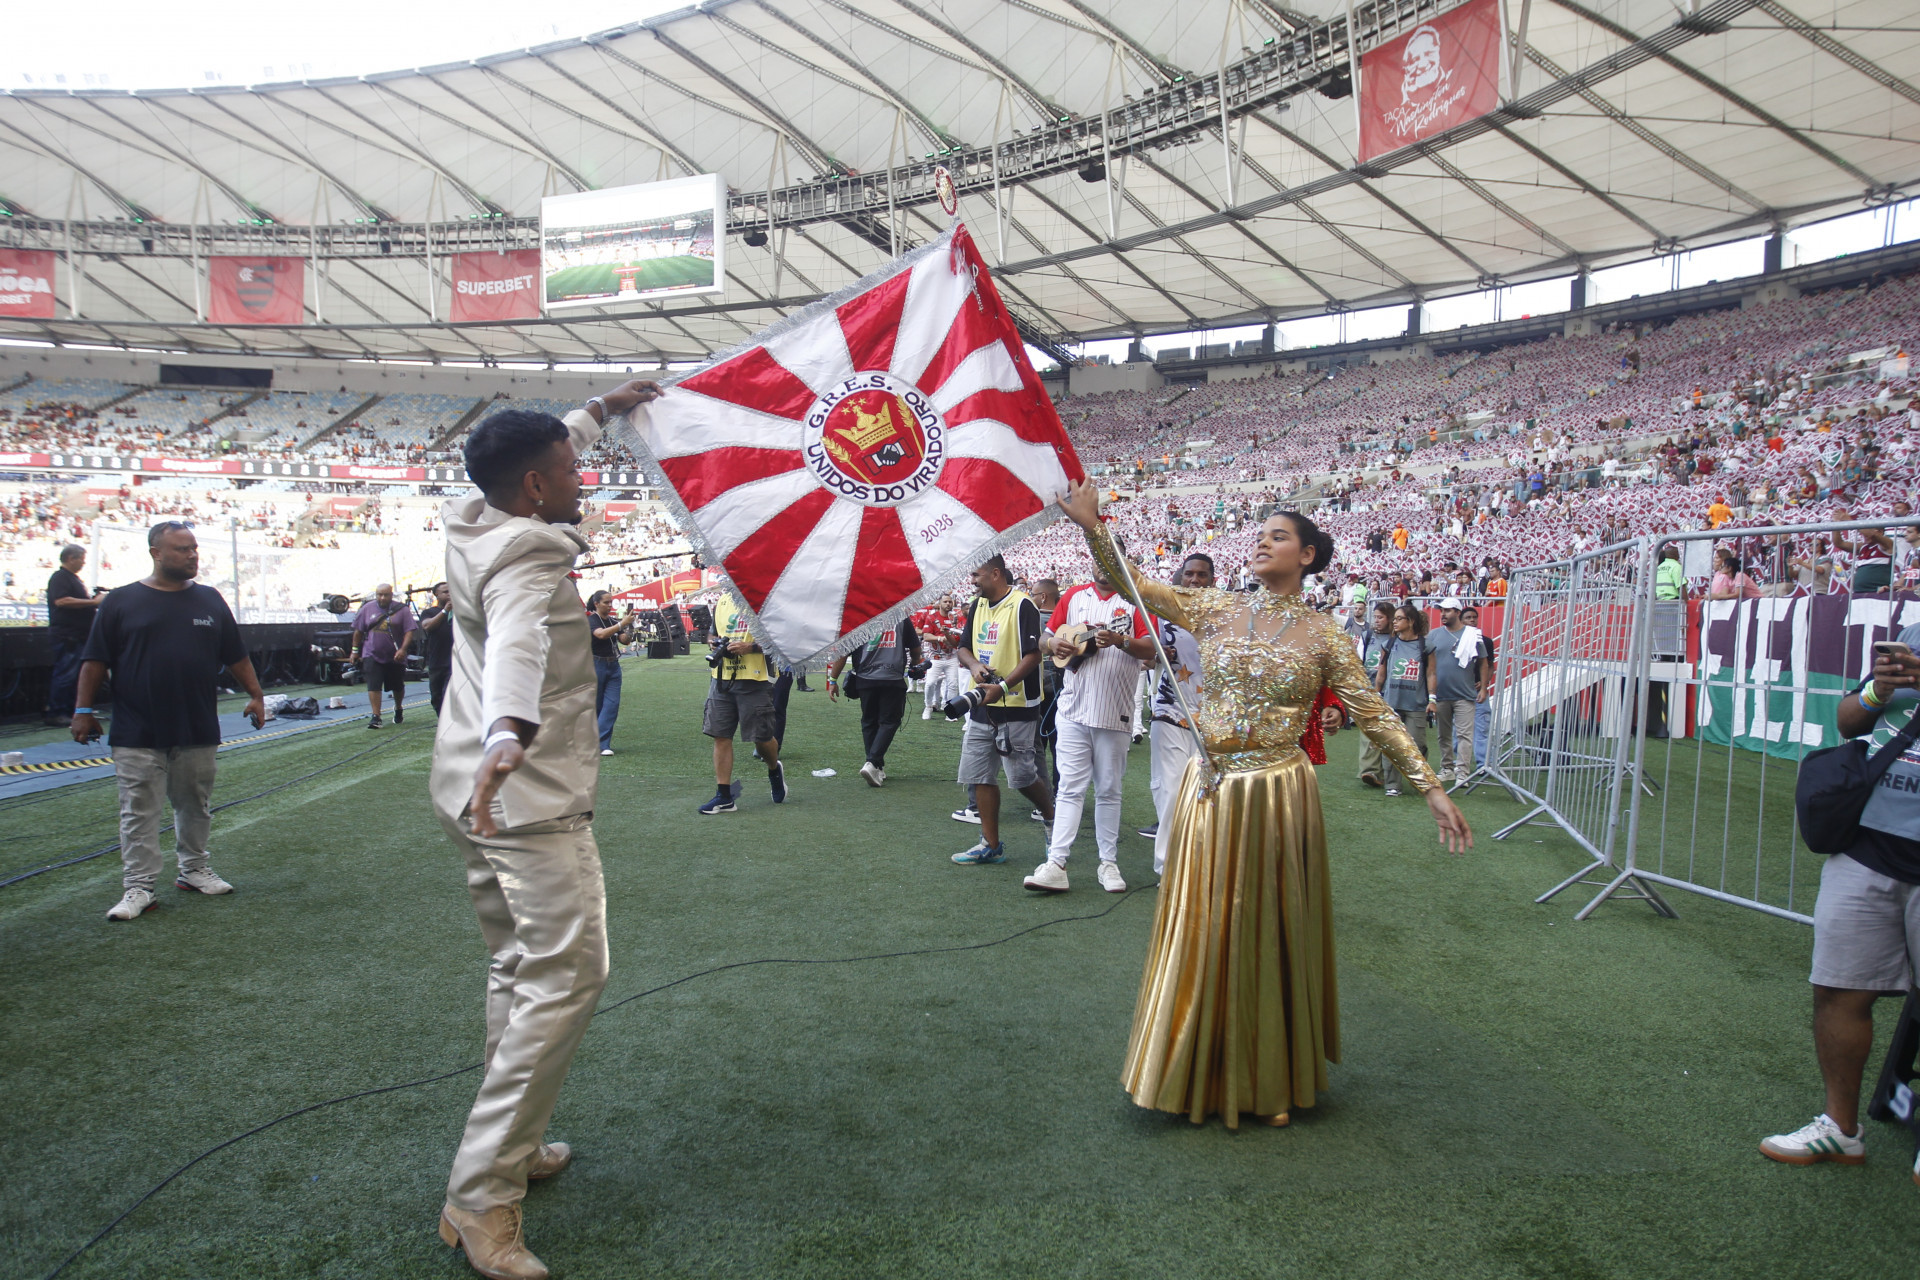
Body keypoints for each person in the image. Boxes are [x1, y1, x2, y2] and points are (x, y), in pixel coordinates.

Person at [1055, 479, 1470, 1128]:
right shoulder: (1213, 607)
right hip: (1210, 788)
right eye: (1261, 534)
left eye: (1278, 536)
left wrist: (1432, 787)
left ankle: (1265, 1075)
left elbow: (1375, 714)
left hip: (1279, 794)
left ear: (1307, 556)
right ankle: (1198, 1064)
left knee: (1268, 932)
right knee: (1204, 929)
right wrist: (1092, 526)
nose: (1262, 542)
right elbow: (1134, 582)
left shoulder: (1326, 636)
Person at [430, 380, 660, 1280]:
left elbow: (546, 444)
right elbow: (522, 640)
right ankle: (483, 1195)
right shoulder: (529, 552)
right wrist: (510, 732)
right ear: (533, 488)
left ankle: (513, 1148)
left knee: (517, 967)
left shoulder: (473, 511)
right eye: (571, 472)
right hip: (521, 794)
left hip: (467, 790)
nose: (583, 480)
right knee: (571, 972)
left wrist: (599, 409)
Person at [1760, 635, 1920, 1182]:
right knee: (1838, 989)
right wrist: (1881, 687)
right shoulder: (1915, 631)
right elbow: (1849, 720)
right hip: (1870, 842)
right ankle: (1840, 1128)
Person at [72, 522, 266, 922]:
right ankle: (139, 886)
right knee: (139, 809)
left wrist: (256, 695)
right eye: (181, 549)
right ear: (156, 553)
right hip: (137, 729)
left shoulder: (211, 600)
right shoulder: (121, 601)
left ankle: (193, 870)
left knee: (195, 804)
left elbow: (235, 654)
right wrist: (83, 710)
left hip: (196, 725)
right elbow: (95, 660)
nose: (192, 555)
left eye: (194, 548)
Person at [1025, 550, 1155, 893]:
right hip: (1073, 707)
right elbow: (1045, 639)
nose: (1102, 566)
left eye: (1110, 559)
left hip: (1115, 710)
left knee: (1109, 789)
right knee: (1069, 787)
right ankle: (1057, 862)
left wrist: (1120, 640)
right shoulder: (1073, 595)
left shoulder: (1135, 599)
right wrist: (1055, 643)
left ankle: (1108, 863)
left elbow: (1151, 651)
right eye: (1098, 559)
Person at [950, 555, 1056, 867]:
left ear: (996, 574)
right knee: (979, 775)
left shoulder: (1022, 604)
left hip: (1017, 704)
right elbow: (963, 647)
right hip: (982, 700)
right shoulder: (978, 604)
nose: (972, 580)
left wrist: (1004, 686)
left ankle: (1053, 820)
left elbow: (1034, 655)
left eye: (977, 574)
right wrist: (975, 665)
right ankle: (990, 844)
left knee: (1021, 777)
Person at [1144, 553, 1215, 874]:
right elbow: (1144, 651)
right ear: (1180, 576)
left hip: (1210, 721)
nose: (1194, 580)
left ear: (1212, 579)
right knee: (1170, 789)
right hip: (1170, 711)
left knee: (1204, 793)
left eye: (1202, 575)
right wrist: (1155, 652)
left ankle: (1199, 860)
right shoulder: (1162, 610)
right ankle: (1168, 868)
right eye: (1189, 574)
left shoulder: (1222, 615)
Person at [700, 590, 786, 814]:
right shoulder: (723, 600)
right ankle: (724, 795)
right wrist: (715, 643)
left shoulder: (767, 598)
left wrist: (751, 647)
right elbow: (711, 634)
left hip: (756, 678)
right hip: (721, 679)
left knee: (761, 737)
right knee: (720, 735)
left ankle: (773, 769)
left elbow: (783, 639)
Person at [828, 618, 924, 786]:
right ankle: (873, 763)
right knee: (890, 721)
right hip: (892, 678)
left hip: (865, 679)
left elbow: (843, 653)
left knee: (869, 721)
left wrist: (833, 680)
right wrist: (916, 663)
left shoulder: (859, 617)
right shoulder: (901, 617)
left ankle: (875, 765)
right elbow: (915, 648)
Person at [1425, 597, 1486, 785]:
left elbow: (1484, 661)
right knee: (1443, 734)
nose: (1443, 614)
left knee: (1464, 735)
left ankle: (1462, 772)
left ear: (1458, 612)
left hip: (1465, 694)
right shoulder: (1434, 635)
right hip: (1440, 693)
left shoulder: (1472, 635)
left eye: (1448, 610)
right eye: (1442, 610)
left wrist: (1483, 687)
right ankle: (1447, 769)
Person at [1374, 603, 1431, 798]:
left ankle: (1419, 777)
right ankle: (1393, 785)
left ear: (1411, 621)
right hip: (1392, 704)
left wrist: (1432, 699)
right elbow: (1381, 673)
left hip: (1416, 704)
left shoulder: (1425, 645)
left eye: (1399, 619)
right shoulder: (1389, 644)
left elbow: (1431, 674)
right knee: (1391, 745)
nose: (1395, 622)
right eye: (1395, 618)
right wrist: (1377, 696)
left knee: (1417, 745)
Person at [44, 543, 105, 725]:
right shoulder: (60, 577)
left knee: (74, 675)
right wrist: (93, 603)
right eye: (81, 560)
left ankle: (68, 710)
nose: (83, 563)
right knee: (66, 674)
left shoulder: (70, 578)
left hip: (76, 636)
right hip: (67, 636)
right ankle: (58, 712)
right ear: (71, 558)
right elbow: (61, 601)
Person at [350, 582, 418, 728]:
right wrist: (355, 651)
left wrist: (403, 649)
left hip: (395, 655)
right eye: (379, 595)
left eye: (385, 595)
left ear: (391, 595)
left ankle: (398, 707)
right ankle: (376, 716)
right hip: (371, 653)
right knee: (373, 684)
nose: (382, 598)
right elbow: (358, 631)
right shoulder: (367, 609)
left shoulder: (402, 610)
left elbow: (409, 632)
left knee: (397, 685)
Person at [587, 591, 635, 756]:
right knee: (597, 705)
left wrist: (629, 626)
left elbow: (625, 640)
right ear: (596, 603)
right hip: (595, 663)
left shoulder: (613, 621)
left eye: (610, 602)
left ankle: (602, 744)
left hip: (613, 665)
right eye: (606, 602)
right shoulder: (592, 620)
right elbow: (600, 634)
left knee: (612, 705)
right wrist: (621, 624)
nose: (609, 605)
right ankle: (594, 742)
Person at [1355, 600, 1396, 788]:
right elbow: (1358, 661)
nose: (1377, 621)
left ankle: (1391, 771)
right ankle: (1369, 770)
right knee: (1369, 730)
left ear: (1390, 619)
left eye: (1381, 617)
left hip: (1392, 691)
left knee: (1390, 732)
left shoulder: (1398, 638)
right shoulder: (1367, 635)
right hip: (1369, 689)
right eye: (1375, 617)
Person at [912, 595, 960, 721]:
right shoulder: (931, 617)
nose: (948, 604)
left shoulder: (955, 617)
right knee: (930, 683)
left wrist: (948, 637)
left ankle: (951, 710)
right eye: (945, 602)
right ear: (940, 603)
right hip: (936, 657)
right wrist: (940, 638)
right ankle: (928, 706)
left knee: (953, 684)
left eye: (950, 601)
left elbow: (956, 640)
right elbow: (926, 636)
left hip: (951, 656)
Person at [419, 582, 456, 715]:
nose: (449, 594)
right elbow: (427, 626)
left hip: (455, 661)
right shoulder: (429, 612)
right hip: (437, 661)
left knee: (449, 694)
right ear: (437, 595)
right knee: (437, 697)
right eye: (445, 592)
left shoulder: (460, 612)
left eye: (450, 591)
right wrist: (445, 610)